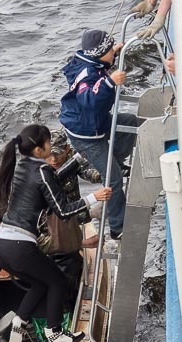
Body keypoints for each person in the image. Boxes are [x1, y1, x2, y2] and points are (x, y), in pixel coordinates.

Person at [0, 123, 111, 342]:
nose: (51, 148)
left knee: (40, 283)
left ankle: (18, 324)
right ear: (39, 150)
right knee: (57, 281)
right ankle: (55, 333)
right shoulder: (42, 171)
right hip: (19, 245)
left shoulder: (21, 165)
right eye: (48, 143)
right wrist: (93, 197)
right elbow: (63, 210)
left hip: (2, 245)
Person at [59, 29, 138, 240]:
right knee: (113, 179)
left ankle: (116, 163)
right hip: (86, 134)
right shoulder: (87, 75)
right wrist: (110, 82)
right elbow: (89, 100)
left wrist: (114, 53)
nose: (113, 51)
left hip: (96, 123)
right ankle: (118, 228)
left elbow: (99, 67)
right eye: (109, 49)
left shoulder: (90, 62)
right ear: (99, 53)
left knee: (129, 123)